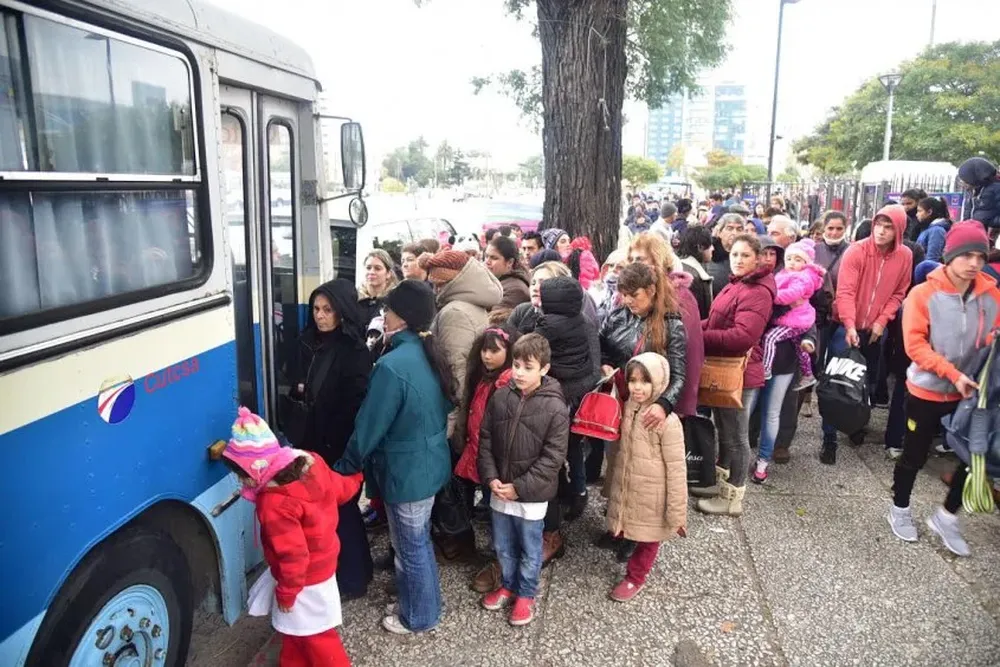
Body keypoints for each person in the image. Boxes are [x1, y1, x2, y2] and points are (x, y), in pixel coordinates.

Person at [335, 280, 455, 635]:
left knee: (410, 547)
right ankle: (422, 603)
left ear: (400, 318)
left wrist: (346, 465)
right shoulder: (426, 351)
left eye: (387, 310)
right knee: (417, 542)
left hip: (406, 473)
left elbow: (369, 425)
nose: (383, 315)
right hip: (428, 464)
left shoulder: (392, 365)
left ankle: (419, 616)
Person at [888, 221, 1000, 556]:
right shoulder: (923, 294)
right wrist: (952, 374)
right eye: (966, 255)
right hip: (928, 391)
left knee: (971, 458)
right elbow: (916, 346)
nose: (974, 263)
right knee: (915, 455)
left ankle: (947, 516)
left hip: (973, 395)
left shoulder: (992, 293)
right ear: (950, 255)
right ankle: (900, 507)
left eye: (980, 255)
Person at [223, 408, 359, 666]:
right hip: (323, 567)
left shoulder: (274, 505)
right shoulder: (311, 464)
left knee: (317, 638)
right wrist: (357, 477)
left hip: (304, 582)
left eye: (242, 474)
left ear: (257, 467)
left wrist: (286, 594)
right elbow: (340, 488)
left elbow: (293, 555)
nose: (241, 482)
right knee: (296, 633)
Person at [478, 334, 569, 626]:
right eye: (516, 364)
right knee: (502, 545)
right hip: (500, 490)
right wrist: (491, 477)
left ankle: (526, 592)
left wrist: (520, 487)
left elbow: (552, 458)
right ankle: (507, 583)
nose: (518, 372)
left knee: (530, 548)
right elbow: (486, 438)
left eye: (527, 367)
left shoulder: (555, 407)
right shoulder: (501, 395)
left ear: (544, 369)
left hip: (530, 495)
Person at [291, 279, 373, 599]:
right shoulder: (307, 342)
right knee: (331, 514)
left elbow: (356, 403)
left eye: (328, 310)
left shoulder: (353, 351)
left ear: (342, 313)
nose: (320, 316)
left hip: (339, 444)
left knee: (344, 511)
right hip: (313, 439)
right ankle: (352, 570)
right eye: (316, 309)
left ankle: (353, 578)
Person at [422, 250, 503, 561]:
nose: (433, 288)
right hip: (471, 407)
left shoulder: (454, 312)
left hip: (459, 410)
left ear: (449, 281)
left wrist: (452, 420)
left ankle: (457, 543)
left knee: (454, 486)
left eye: (436, 283)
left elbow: (456, 371)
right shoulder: (471, 305)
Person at [820, 205, 912, 463]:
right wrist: (850, 324)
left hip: (875, 330)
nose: (881, 232)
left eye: (888, 227)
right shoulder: (857, 250)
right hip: (845, 327)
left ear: (899, 230)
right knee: (836, 383)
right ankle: (829, 438)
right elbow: (846, 292)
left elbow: (899, 293)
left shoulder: (904, 255)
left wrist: (882, 321)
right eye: (878, 225)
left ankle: (856, 424)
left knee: (866, 382)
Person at [697, 234, 775, 516]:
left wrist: (700, 337)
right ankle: (721, 483)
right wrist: (695, 325)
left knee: (737, 436)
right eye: (735, 255)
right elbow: (717, 319)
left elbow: (743, 336)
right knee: (725, 431)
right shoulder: (738, 284)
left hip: (740, 372)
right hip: (724, 368)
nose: (739, 260)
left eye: (745, 255)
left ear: (757, 258)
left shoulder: (757, 291)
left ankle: (733, 497)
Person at [602, 353, 687, 603]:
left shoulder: (667, 422)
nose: (637, 387)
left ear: (659, 382)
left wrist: (676, 512)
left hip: (653, 494)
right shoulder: (630, 407)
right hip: (630, 487)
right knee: (632, 526)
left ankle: (635, 577)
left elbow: (676, 468)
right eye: (633, 381)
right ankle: (624, 546)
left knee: (649, 538)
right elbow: (619, 453)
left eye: (645, 381)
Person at [452, 324, 521, 594]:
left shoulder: (506, 382)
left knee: (499, 513)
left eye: (494, 350)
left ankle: (500, 562)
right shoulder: (481, 377)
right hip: (476, 451)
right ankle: (477, 549)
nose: (487, 356)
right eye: (484, 349)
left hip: (494, 459)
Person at [536, 276, 600, 520]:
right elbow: (594, 364)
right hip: (577, 395)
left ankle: (556, 494)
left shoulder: (545, 324)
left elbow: (530, 349)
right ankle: (579, 492)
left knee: (549, 448)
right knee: (573, 446)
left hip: (553, 395)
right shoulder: (585, 321)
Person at [760, 238, 825, 389]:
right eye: (789, 258)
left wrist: (771, 295)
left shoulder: (802, 278)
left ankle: (766, 368)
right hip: (797, 318)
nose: (791, 262)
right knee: (798, 346)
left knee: (770, 337)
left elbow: (792, 294)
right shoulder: (786, 273)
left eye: (797, 259)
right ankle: (808, 374)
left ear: (805, 263)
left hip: (795, 319)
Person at [484, 235, 531, 324]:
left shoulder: (515, 290)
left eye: (494, 258)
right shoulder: (496, 279)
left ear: (510, 262)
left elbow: (493, 323)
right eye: (486, 256)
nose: (487, 262)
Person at [677, 225, 715, 319]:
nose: (713, 248)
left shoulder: (679, 267)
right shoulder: (694, 278)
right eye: (710, 245)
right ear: (700, 247)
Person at [707, 213, 746, 297]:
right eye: (730, 228)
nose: (734, 233)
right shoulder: (709, 255)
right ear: (719, 233)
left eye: (739, 229)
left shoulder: (749, 257)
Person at [358, 249, 398, 327]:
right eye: (368, 268)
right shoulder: (355, 298)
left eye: (377, 268)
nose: (371, 272)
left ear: (388, 274)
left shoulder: (394, 301)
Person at [959, 157, 1000, 229]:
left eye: (965, 180)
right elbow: (967, 212)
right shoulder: (971, 190)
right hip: (973, 232)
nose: (962, 183)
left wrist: (990, 224)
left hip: (988, 234)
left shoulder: (996, 189)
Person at [915, 196, 952, 263]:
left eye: (919, 211)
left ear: (929, 212)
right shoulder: (928, 228)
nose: (917, 214)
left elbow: (932, 259)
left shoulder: (937, 231)